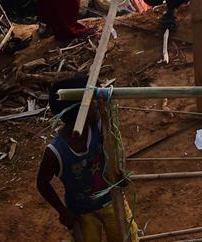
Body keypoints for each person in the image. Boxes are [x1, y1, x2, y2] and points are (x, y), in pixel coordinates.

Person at [36, 75, 138, 242]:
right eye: (93, 105)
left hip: (111, 200)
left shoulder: (100, 127)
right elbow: (42, 183)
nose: (98, 106)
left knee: (126, 238)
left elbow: (114, 150)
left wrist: (119, 171)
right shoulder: (55, 152)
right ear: (78, 115)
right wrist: (63, 211)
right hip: (82, 213)